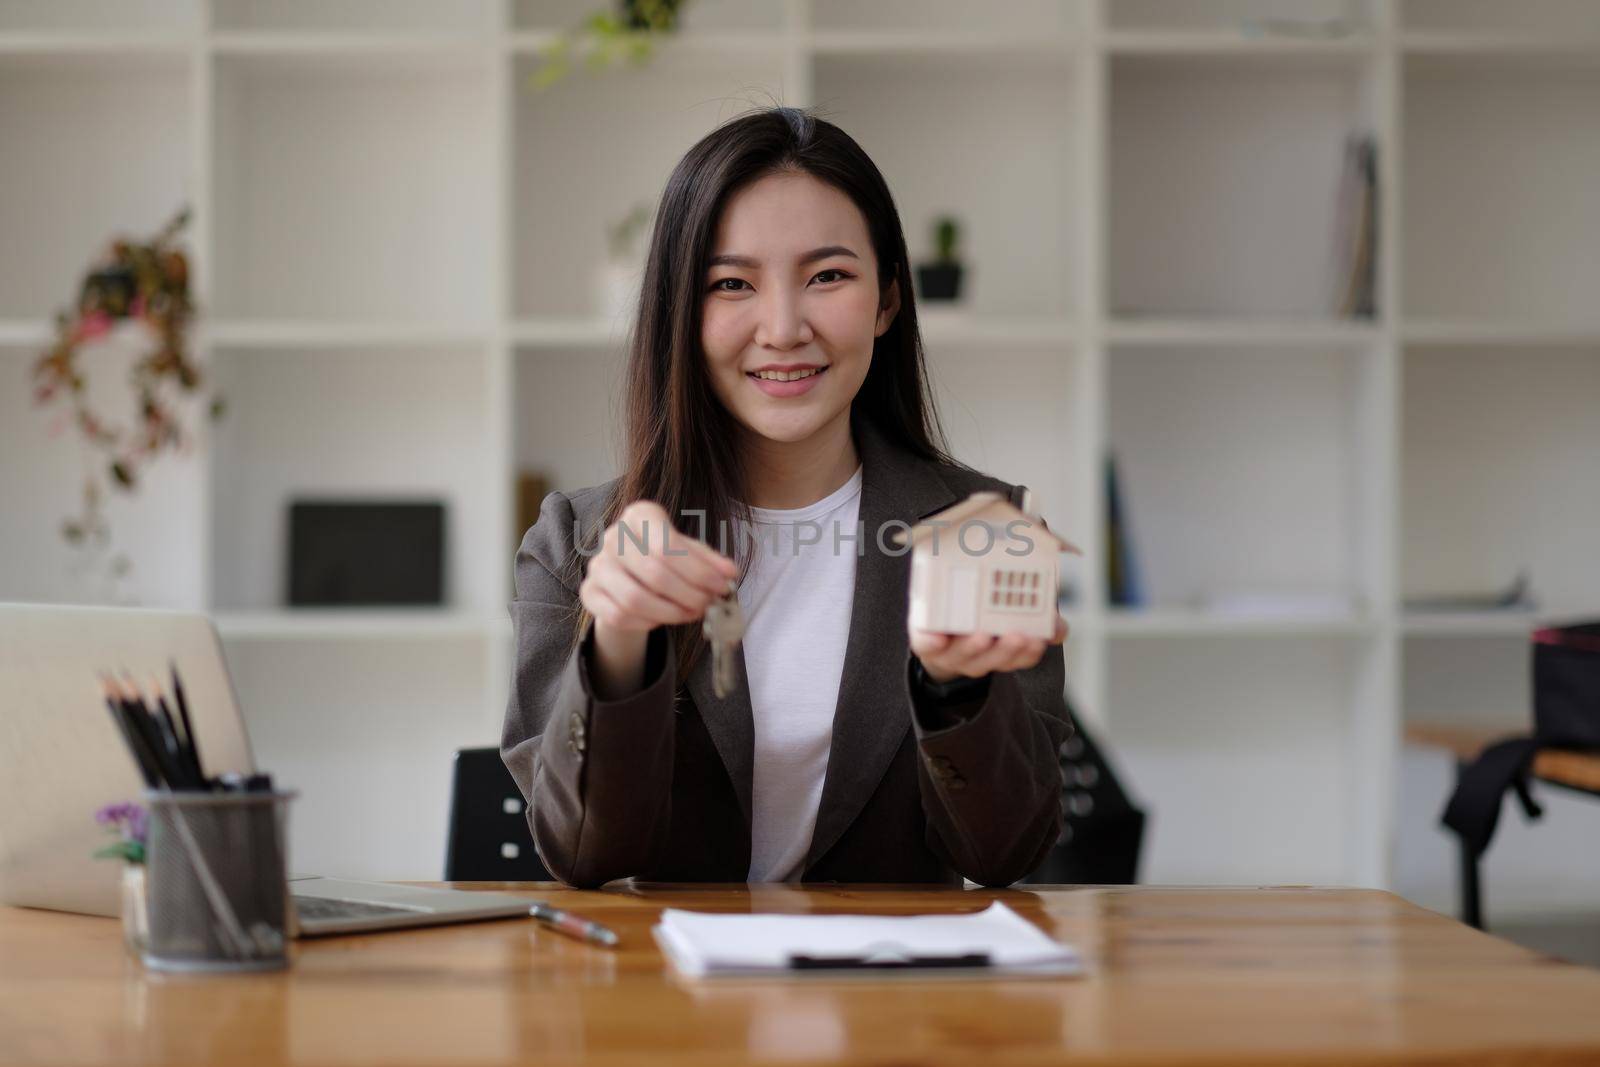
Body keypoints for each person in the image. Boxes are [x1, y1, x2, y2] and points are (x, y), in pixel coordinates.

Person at [502, 106, 1073, 889]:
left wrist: (956, 687)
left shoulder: (986, 533)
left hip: (896, 1000)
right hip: (661, 1001)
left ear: (888, 300)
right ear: (681, 314)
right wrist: (620, 641)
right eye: (731, 283)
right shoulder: (576, 544)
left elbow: (1010, 853)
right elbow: (585, 853)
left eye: (828, 276)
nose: (781, 327)